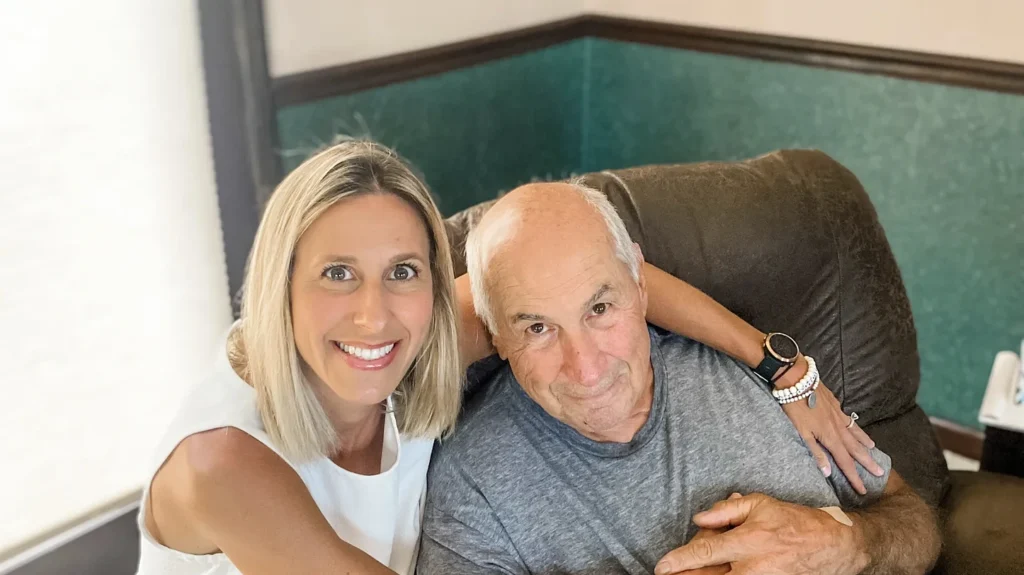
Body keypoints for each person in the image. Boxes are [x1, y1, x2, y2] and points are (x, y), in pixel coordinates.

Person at [136, 141, 879, 575]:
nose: (373, 312)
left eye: (402, 270)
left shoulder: (412, 344)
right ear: (279, 286)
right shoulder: (223, 462)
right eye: (336, 273)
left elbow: (611, 281)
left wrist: (780, 366)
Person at [417, 181, 941, 575]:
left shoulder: (755, 379)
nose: (587, 367)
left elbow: (914, 525)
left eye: (600, 307)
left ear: (641, 287)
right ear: (494, 335)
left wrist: (848, 544)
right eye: (537, 327)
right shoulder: (472, 485)